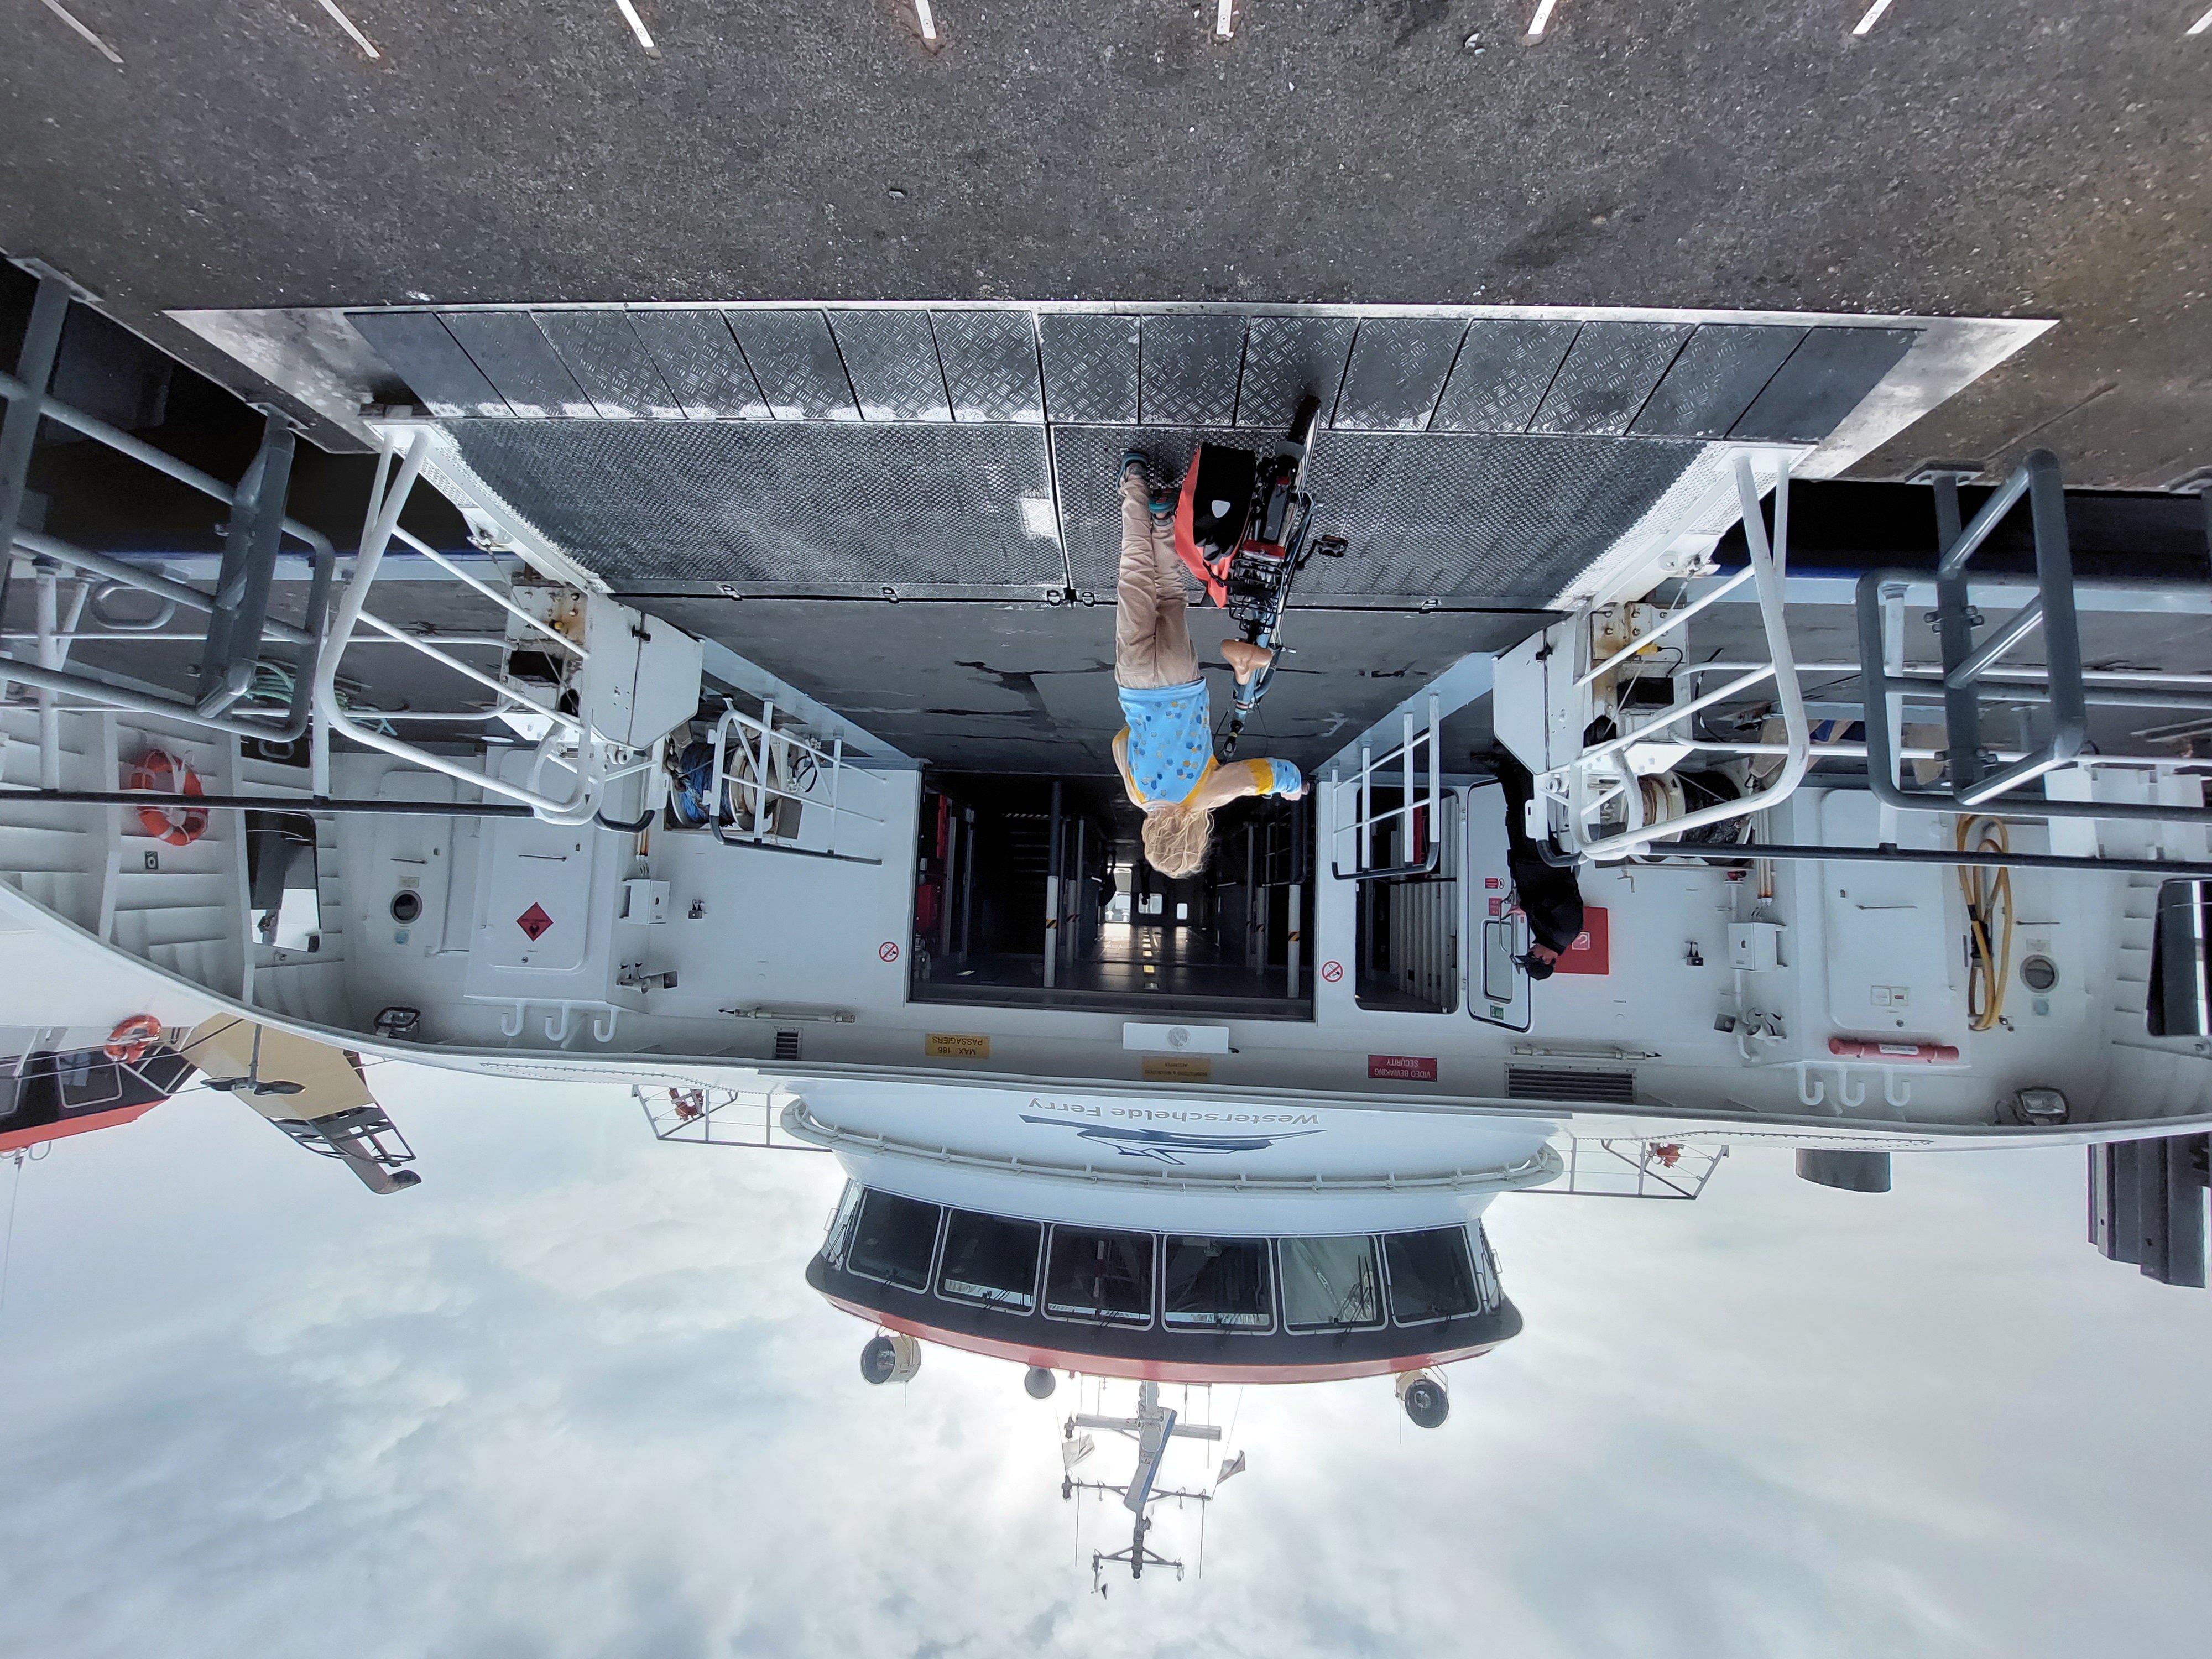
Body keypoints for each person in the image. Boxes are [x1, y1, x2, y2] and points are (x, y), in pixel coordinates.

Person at [1112, 451, 1305, 877]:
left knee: (1172, 599)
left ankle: (1164, 523)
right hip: (1136, 683)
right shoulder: (1138, 796)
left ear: (1196, 836)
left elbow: (1259, 777)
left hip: (1180, 679)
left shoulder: (1206, 796)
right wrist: (1148, 733)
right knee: (1134, 579)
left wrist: (1293, 786)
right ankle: (1136, 485)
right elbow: (1120, 743)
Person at [1486, 748, 1584, 980]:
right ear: (1548, 959)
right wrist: (1527, 907)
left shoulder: (1546, 936)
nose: (1531, 951)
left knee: (1515, 816)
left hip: (1528, 865)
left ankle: (1504, 770)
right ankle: (1521, 764)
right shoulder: (1566, 933)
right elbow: (1560, 898)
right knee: (1529, 812)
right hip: (1543, 863)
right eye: (1534, 956)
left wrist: (1528, 906)